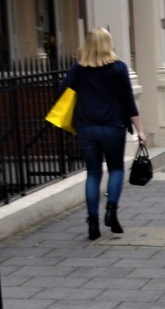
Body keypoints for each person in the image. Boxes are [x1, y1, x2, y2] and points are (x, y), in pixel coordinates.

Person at [61, 29, 147, 240]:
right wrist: (140, 130)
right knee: (116, 168)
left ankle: (92, 223)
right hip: (113, 126)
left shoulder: (78, 69)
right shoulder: (118, 68)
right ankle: (111, 209)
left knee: (93, 173)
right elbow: (129, 101)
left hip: (86, 127)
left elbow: (62, 90)